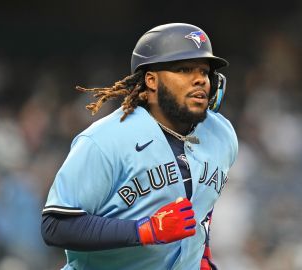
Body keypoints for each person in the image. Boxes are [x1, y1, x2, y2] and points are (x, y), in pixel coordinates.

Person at [41, 23, 238, 270]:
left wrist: (202, 255)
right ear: (152, 80)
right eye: (185, 69)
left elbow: (202, 206)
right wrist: (145, 230)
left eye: (204, 71)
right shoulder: (104, 140)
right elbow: (55, 225)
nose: (199, 79)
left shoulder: (221, 134)